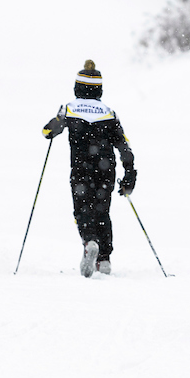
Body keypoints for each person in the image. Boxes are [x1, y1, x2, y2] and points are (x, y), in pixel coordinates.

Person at [42, 60, 137, 278]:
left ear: (77, 88)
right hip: (106, 169)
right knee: (102, 211)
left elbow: (47, 131)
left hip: (81, 168)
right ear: (99, 90)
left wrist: (58, 121)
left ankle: (90, 241)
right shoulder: (110, 113)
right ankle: (104, 259)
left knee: (83, 209)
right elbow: (125, 148)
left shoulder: (69, 109)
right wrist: (130, 175)